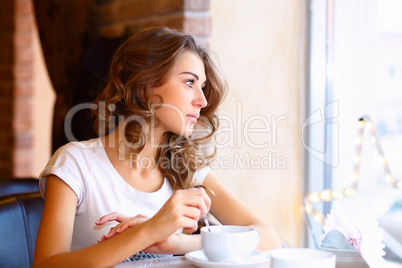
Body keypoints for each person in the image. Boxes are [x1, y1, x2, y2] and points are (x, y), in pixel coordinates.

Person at [33, 27, 281, 268]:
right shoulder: (75, 163)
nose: (202, 101)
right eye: (189, 83)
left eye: (202, 87)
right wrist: (148, 231)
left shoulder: (188, 170)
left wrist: (178, 242)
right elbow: (45, 265)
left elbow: (268, 240)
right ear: (145, 85)